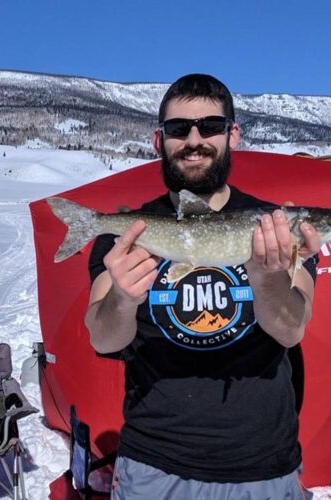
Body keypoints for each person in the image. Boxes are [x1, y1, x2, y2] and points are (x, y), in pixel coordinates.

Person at [85, 74, 321, 500]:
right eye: (179, 129)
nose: (194, 140)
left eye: (210, 126)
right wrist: (121, 298)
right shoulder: (131, 233)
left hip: (262, 465)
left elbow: (292, 330)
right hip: (154, 466)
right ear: (159, 141)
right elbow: (103, 339)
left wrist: (269, 276)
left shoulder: (275, 226)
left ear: (233, 134)